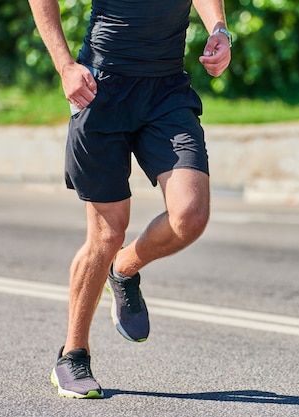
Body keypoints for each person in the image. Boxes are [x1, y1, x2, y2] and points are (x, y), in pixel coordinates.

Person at [28, 0, 231, 399]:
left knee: (190, 215)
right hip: (102, 87)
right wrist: (65, 65)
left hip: (166, 90)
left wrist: (220, 30)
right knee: (106, 233)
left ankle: (123, 268)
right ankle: (72, 355)